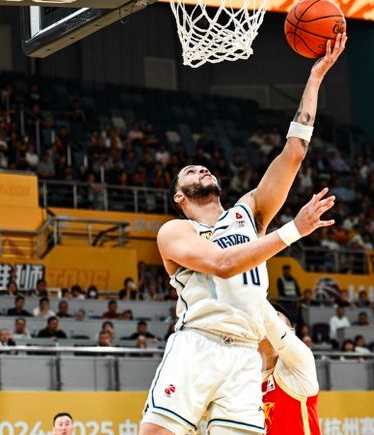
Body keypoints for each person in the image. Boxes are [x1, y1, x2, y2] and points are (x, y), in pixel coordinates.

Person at [140, 33, 346, 435]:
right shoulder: (176, 231)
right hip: (200, 342)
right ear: (179, 196)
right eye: (190, 172)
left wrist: (315, 78)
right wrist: (294, 230)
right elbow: (222, 264)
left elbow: (294, 153)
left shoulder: (248, 212)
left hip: (247, 354)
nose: (201, 169)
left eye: (204, 167)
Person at [259, 302, 320, 434]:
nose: (262, 320)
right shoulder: (247, 378)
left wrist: (251, 296)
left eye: (276, 316)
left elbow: (272, 324)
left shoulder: (301, 362)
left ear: (291, 332)